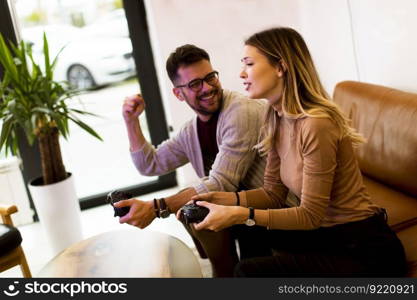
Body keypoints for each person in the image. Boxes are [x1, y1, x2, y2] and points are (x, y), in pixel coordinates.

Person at [189, 27, 407, 277]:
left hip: (362, 248)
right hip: (326, 236)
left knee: (248, 269)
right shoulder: (275, 115)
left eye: (249, 64)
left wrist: (240, 212)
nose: (241, 74)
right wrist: (222, 199)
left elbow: (311, 216)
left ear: (280, 67)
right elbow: (273, 193)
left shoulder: (316, 124)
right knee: (244, 227)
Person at [117, 44, 269, 277]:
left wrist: (157, 207)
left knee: (197, 210)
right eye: (195, 84)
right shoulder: (192, 131)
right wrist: (131, 122)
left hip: (273, 211)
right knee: (196, 214)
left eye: (210, 77)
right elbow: (151, 164)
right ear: (179, 93)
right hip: (243, 213)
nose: (208, 87)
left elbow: (220, 183)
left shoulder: (241, 112)